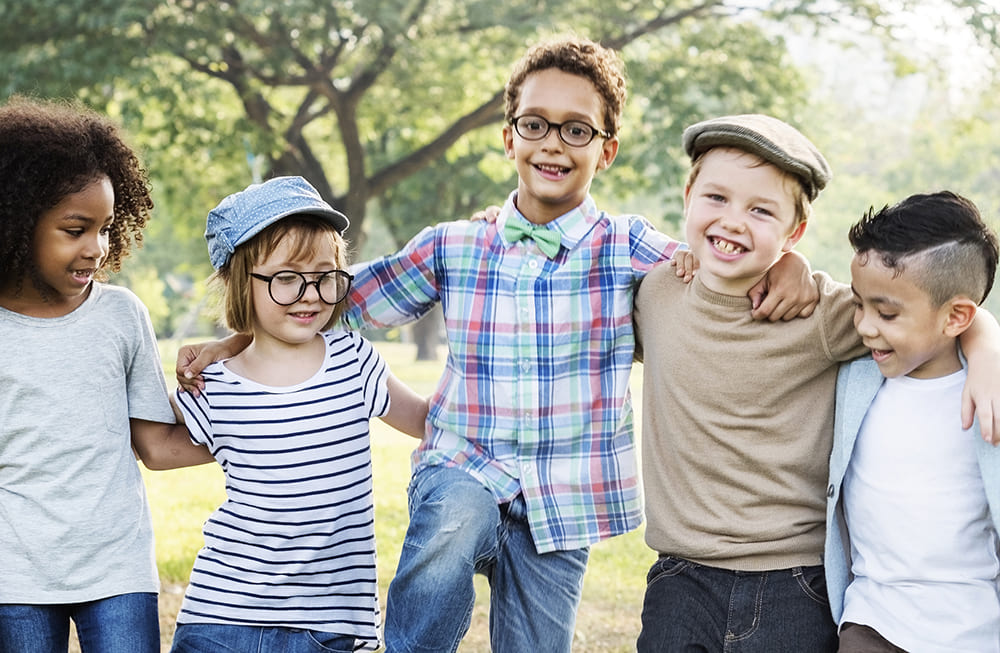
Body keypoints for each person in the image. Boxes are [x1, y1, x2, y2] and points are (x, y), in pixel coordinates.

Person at [176, 38, 818, 652]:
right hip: (465, 463)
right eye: (535, 124)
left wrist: (787, 264)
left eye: (577, 129)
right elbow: (327, 298)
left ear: (607, 149)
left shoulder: (627, 245)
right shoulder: (453, 244)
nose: (553, 143)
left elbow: (718, 265)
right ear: (509, 136)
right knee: (447, 536)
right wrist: (234, 340)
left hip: (564, 494)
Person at [632, 116, 1000, 651]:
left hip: (793, 580)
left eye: (761, 210)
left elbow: (930, 312)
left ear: (793, 233)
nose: (733, 221)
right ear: (688, 195)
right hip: (680, 577)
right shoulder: (653, 293)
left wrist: (986, 346)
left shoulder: (824, 315)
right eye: (716, 197)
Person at [169, 176, 428, 653]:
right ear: (239, 281)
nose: (309, 294)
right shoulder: (214, 382)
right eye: (287, 278)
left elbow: (427, 421)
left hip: (329, 627)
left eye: (325, 276)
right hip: (222, 620)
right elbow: (157, 451)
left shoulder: (353, 359)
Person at [0, 96, 212, 653]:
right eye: (75, 229)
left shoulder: (121, 315)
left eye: (105, 228)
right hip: (13, 576)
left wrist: (267, 414)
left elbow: (159, 447)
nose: (96, 248)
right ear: (16, 224)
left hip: (118, 570)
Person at [825, 191, 1000, 653]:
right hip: (870, 621)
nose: (863, 326)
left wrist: (986, 344)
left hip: (973, 629)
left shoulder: (989, 391)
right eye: (859, 304)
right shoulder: (857, 377)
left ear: (956, 317)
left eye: (886, 313)